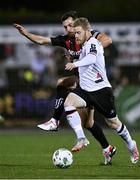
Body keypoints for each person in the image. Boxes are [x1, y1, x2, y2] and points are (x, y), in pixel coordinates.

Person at [14, 11, 116, 165]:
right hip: (82, 85)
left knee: (62, 82)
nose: (68, 29)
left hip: (94, 84)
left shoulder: (90, 36)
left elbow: (108, 40)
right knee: (88, 123)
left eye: (70, 25)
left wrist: (87, 52)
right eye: (65, 26)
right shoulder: (66, 40)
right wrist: (25, 33)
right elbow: (42, 40)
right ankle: (107, 148)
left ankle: (55, 120)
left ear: (77, 25)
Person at [65, 17, 139, 164]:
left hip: (101, 91)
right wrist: (74, 58)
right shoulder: (84, 45)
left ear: (87, 31)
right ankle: (81, 137)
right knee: (68, 103)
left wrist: (75, 64)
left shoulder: (93, 42)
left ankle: (131, 144)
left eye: (78, 32)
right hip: (85, 90)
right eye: (75, 33)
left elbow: (91, 59)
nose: (76, 36)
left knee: (113, 123)